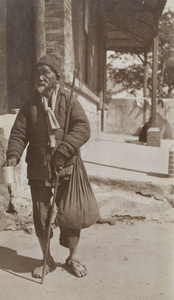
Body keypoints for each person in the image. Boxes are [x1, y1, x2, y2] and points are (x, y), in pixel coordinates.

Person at [6, 53, 91, 278]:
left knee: (70, 214)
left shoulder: (69, 100)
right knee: (41, 215)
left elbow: (83, 128)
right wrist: (14, 154)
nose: (40, 77)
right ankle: (47, 260)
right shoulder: (30, 104)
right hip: (38, 167)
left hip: (67, 167)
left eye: (46, 73)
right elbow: (18, 132)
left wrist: (63, 152)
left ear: (57, 77)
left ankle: (72, 258)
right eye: (37, 73)